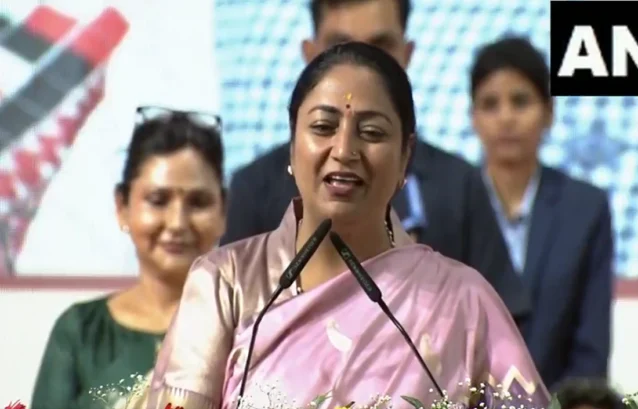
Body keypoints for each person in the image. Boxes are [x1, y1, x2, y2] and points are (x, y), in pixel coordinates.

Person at [146, 42, 549, 409]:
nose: (344, 150)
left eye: (371, 132)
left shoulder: (464, 302)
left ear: (405, 156)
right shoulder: (225, 285)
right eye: (323, 127)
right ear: (292, 144)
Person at [220, 0, 529, 320]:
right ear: (310, 54)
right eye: (341, 48)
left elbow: (498, 322)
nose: (360, 69)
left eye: (380, 49)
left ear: (407, 54)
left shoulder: (459, 185)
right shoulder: (254, 189)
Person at [31, 107, 227, 409]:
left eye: (198, 202)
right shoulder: (81, 332)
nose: (177, 223)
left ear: (223, 210)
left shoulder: (249, 331)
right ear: (123, 206)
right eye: (158, 200)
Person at [470, 36, 614, 389]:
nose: (506, 118)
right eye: (490, 104)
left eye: (520, 101)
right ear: (473, 117)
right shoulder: (452, 202)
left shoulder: (585, 209)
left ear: (549, 112)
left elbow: (591, 350)